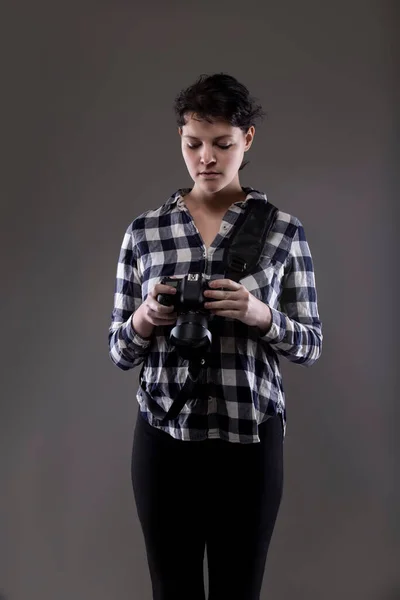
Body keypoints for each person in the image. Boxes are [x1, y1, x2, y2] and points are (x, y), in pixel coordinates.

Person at [108, 72, 323, 600]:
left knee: (238, 590)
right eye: (193, 143)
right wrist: (145, 318)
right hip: (164, 434)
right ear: (180, 139)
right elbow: (118, 350)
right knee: (172, 589)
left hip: (248, 437)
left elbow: (311, 345)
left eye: (222, 144)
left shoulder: (281, 230)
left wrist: (258, 313)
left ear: (246, 139)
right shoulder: (145, 231)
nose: (206, 157)